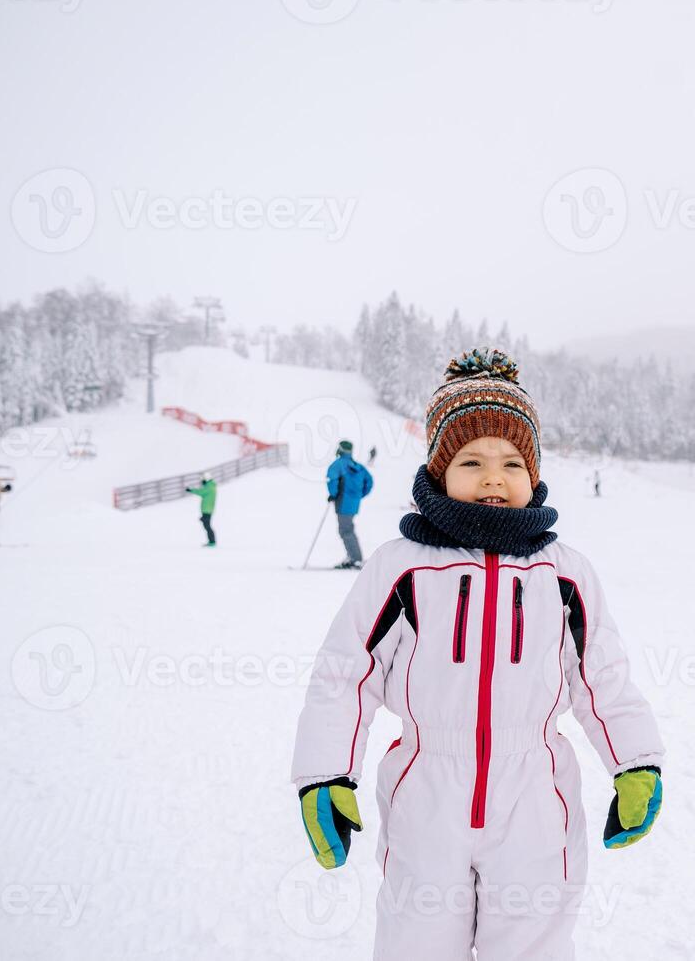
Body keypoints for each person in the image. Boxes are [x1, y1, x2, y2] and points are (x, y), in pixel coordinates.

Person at [292, 348, 664, 958]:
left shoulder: (564, 573)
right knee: (416, 939)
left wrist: (636, 762)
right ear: (439, 471)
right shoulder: (401, 567)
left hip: (537, 800)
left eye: (513, 462)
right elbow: (344, 673)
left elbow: (603, 676)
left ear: (535, 473)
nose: (495, 477)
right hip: (425, 796)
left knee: (533, 943)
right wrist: (326, 773)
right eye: (472, 460)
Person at [326, 440, 374, 570]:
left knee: (346, 530)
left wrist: (333, 494)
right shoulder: (358, 466)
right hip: (353, 503)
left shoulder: (338, 465)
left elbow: (332, 480)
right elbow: (369, 482)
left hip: (342, 502)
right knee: (347, 528)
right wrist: (359, 495)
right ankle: (352, 557)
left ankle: (356, 559)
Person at [186, 475, 217, 547]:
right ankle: (211, 541)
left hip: (207, 510)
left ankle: (212, 541)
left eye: (203, 480)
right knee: (206, 525)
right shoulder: (210, 486)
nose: (202, 482)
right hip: (207, 509)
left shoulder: (209, 487)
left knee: (207, 526)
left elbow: (200, 492)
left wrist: (191, 490)